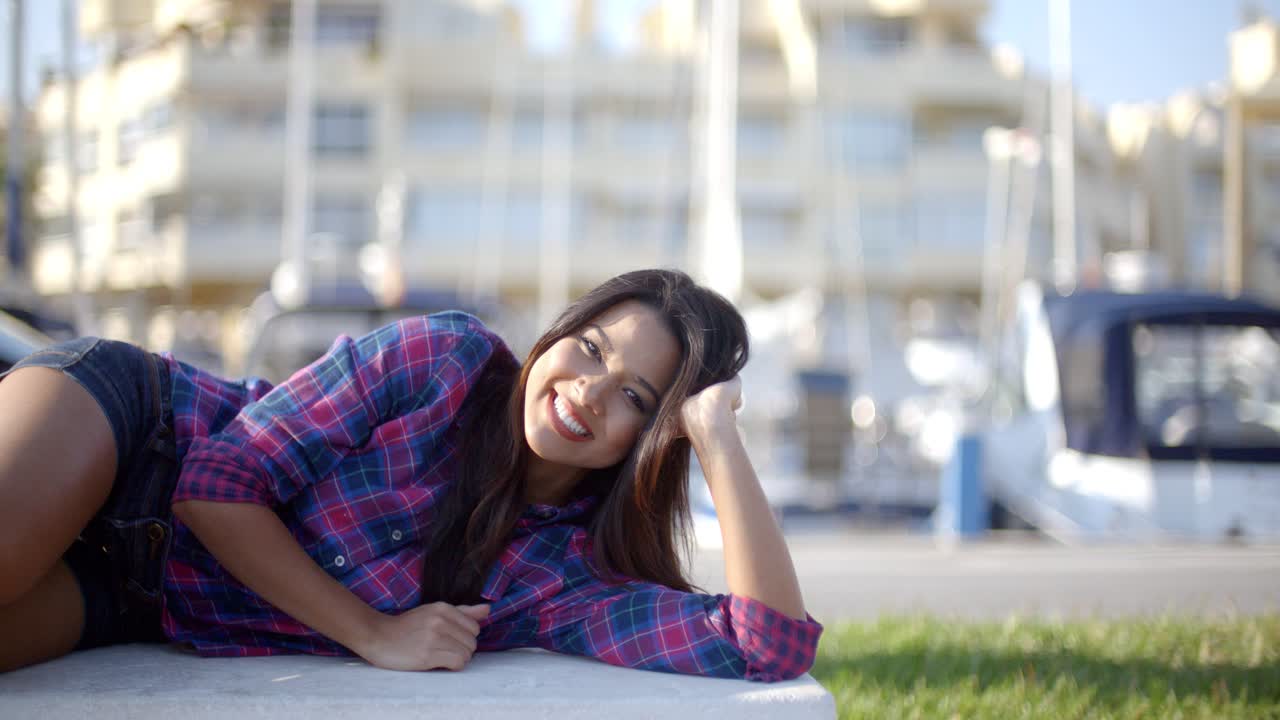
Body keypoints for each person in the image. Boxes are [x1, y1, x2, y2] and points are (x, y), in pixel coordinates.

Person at [0, 269, 821, 680]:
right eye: (591, 349)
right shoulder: (445, 359)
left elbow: (768, 645)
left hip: (143, 594)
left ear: (653, 437)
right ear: (561, 332)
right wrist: (373, 632)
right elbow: (216, 484)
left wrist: (714, 434)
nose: (588, 391)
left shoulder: (559, 574)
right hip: (132, 433)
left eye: (635, 396)